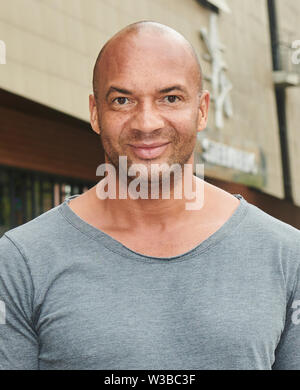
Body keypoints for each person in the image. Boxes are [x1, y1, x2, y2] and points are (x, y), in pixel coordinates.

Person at [0, 21, 300, 370]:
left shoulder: (285, 254)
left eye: (170, 98)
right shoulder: (23, 261)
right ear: (96, 113)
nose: (146, 123)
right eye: (122, 100)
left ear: (201, 110)